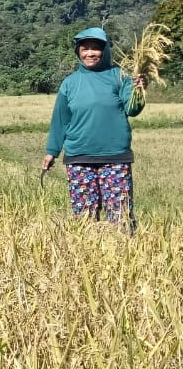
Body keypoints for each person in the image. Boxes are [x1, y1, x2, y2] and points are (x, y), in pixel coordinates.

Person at [42, 27, 147, 233]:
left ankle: (123, 258)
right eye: (85, 49)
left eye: (96, 49)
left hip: (115, 157)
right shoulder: (70, 83)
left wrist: (139, 90)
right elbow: (60, 120)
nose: (90, 53)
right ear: (78, 52)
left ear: (105, 51)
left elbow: (132, 110)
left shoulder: (119, 77)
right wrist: (51, 152)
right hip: (79, 157)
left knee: (121, 217)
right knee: (84, 218)